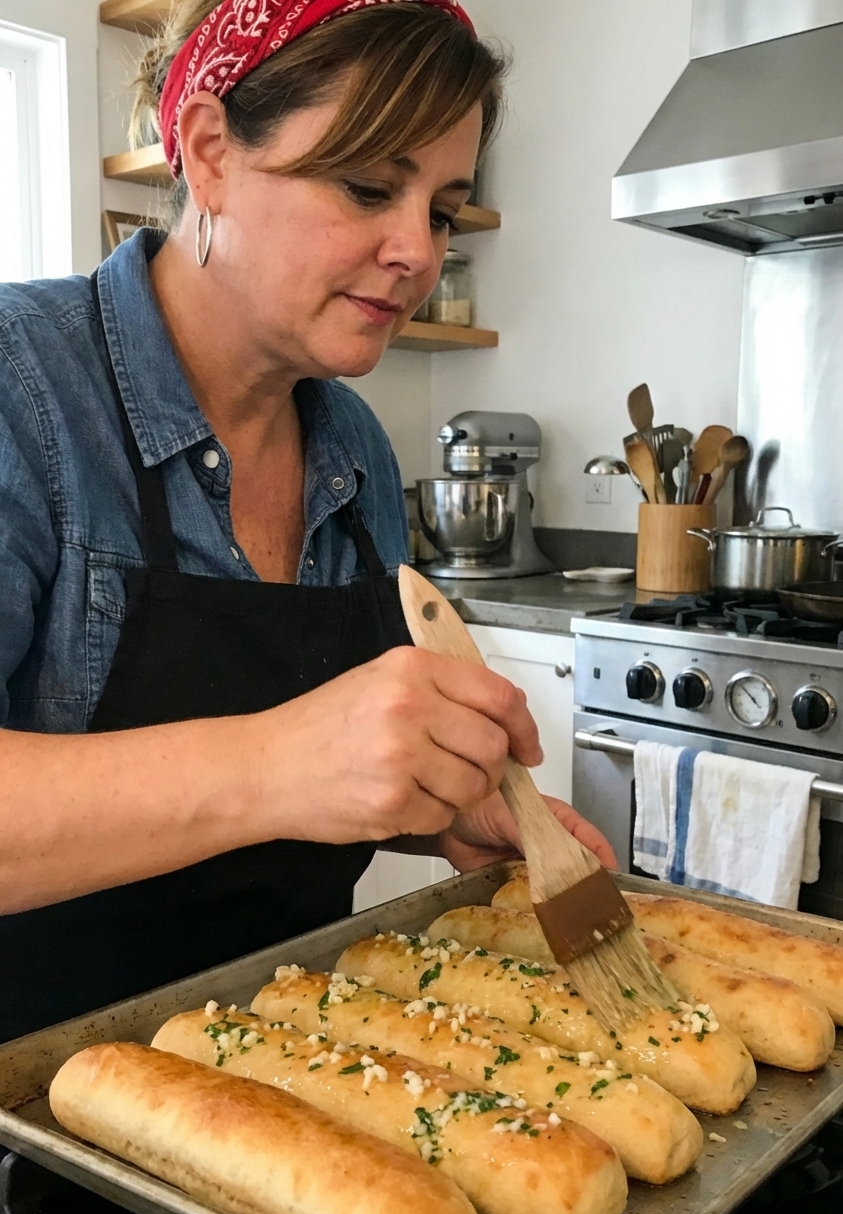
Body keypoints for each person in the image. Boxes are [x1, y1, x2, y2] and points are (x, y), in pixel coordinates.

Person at [0, 0, 614, 1043]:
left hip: (292, 1087)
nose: (416, 251)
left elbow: (326, 787)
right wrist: (278, 761)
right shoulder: (26, 386)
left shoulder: (356, 452)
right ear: (208, 153)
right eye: (370, 187)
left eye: (444, 210)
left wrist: (444, 802)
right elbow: (286, 769)